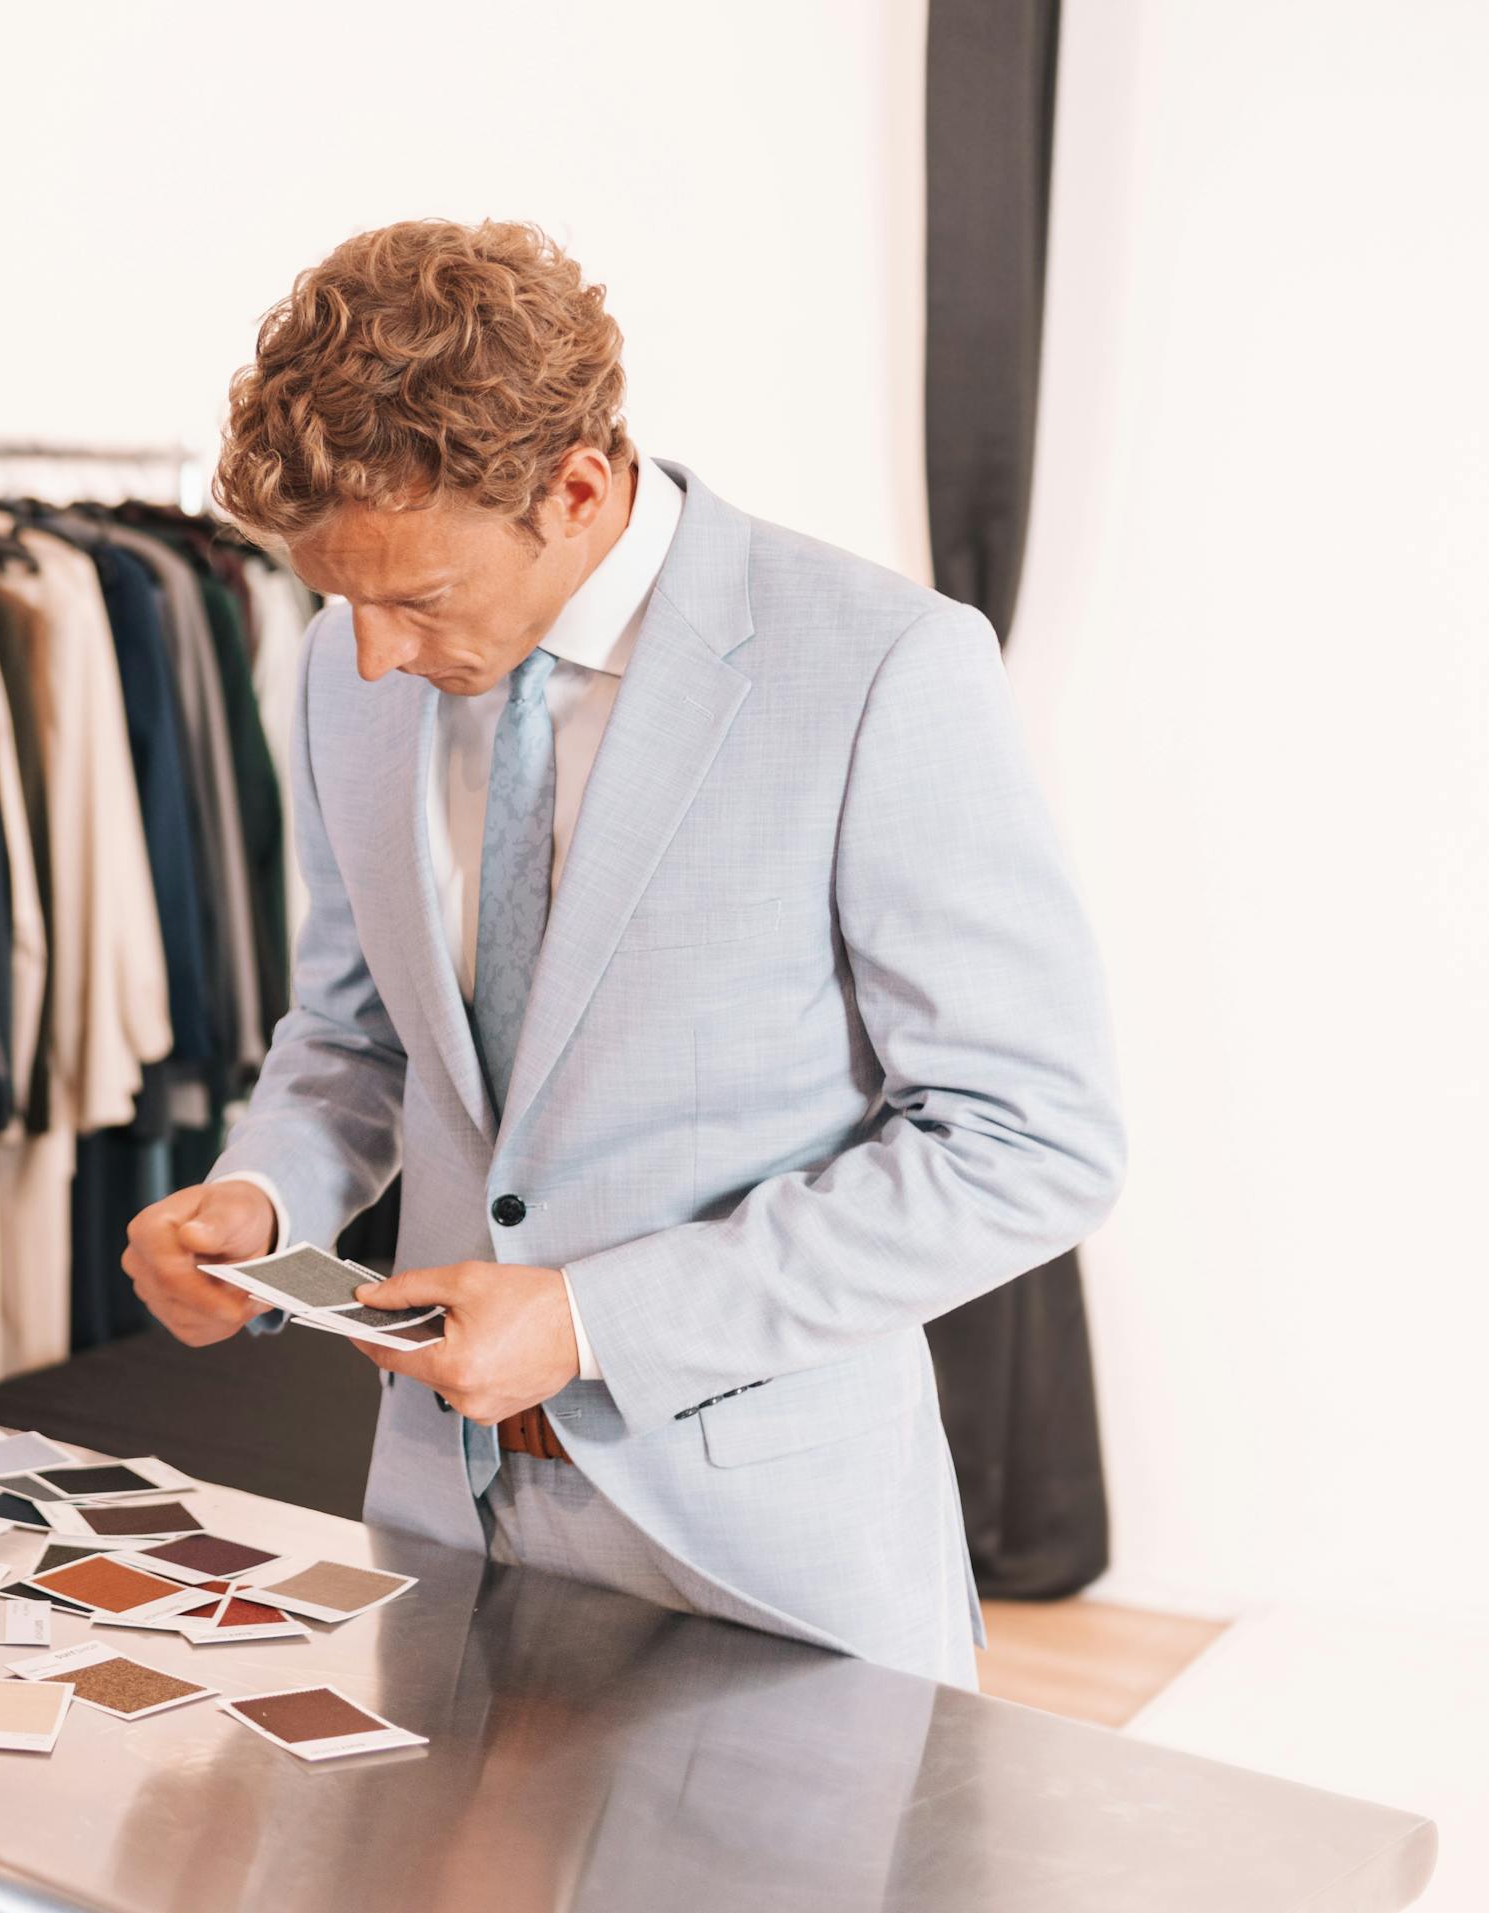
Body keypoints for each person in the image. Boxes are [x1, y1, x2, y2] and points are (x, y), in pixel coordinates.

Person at [120, 221, 1122, 1686]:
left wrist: (595, 1320)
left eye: (417, 599)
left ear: (577, 487)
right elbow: (357, 1031)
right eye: (341, 599)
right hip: (440, 1529)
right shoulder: (351, 668)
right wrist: (267, 1200)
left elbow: (1030, 1142)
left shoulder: (881, 668)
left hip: (768, 1558)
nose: (374, 653)